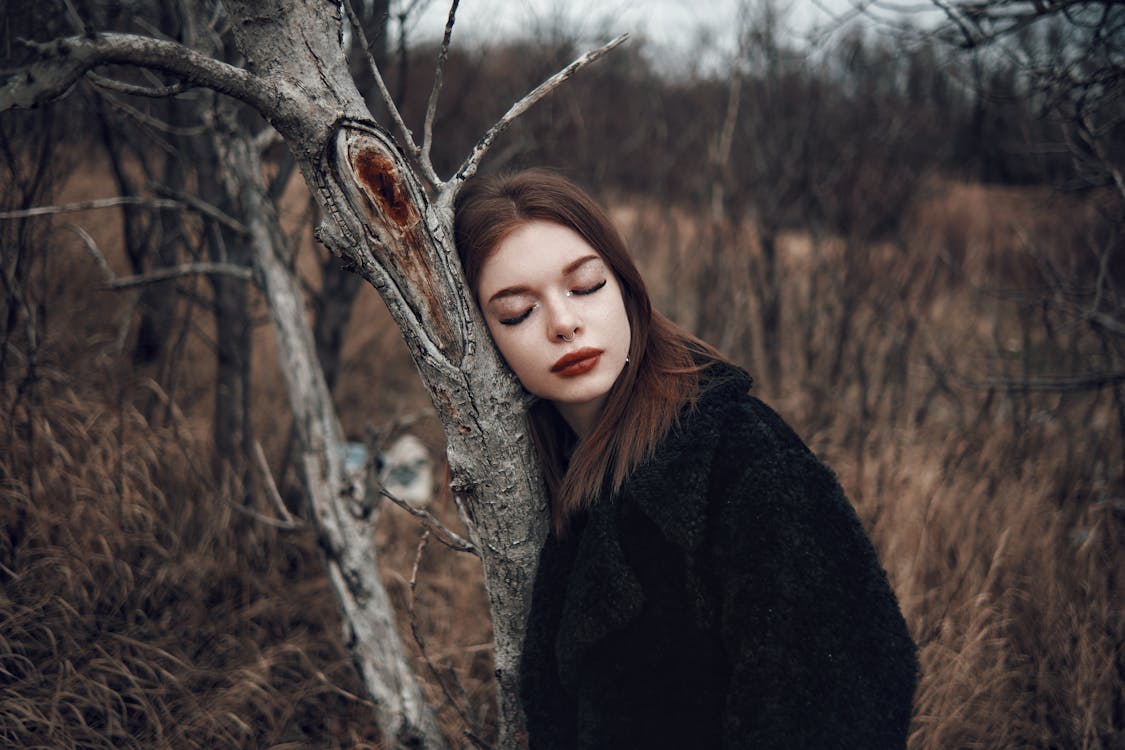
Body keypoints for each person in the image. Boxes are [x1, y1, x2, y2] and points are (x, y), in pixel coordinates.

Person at [454, 169, 918, 749]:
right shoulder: (543, 470)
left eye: (587, 285)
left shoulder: (739, 457)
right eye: (518, 312)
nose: (564, 323)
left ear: (626, 287)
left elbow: (850, 692)